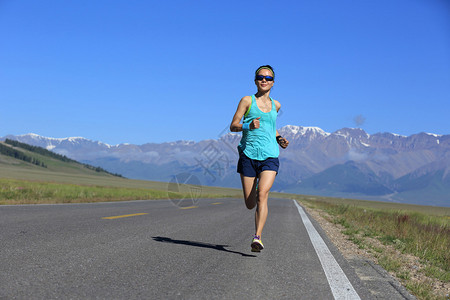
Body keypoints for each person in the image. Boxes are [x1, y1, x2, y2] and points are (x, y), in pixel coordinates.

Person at [230, 65, 289, 252]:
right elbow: (233, 125)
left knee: (263, 195)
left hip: (270, 155)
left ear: (273, 82)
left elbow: (271, 127)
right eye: (260, 77)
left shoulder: (276, 105)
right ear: (255, 80)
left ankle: (258, 237)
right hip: (248, 154)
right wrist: (248, 125)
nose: (264, 80)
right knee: (250, 203)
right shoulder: (247, 101)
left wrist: (279, 138)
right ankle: (255, 190)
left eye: (268, 77)